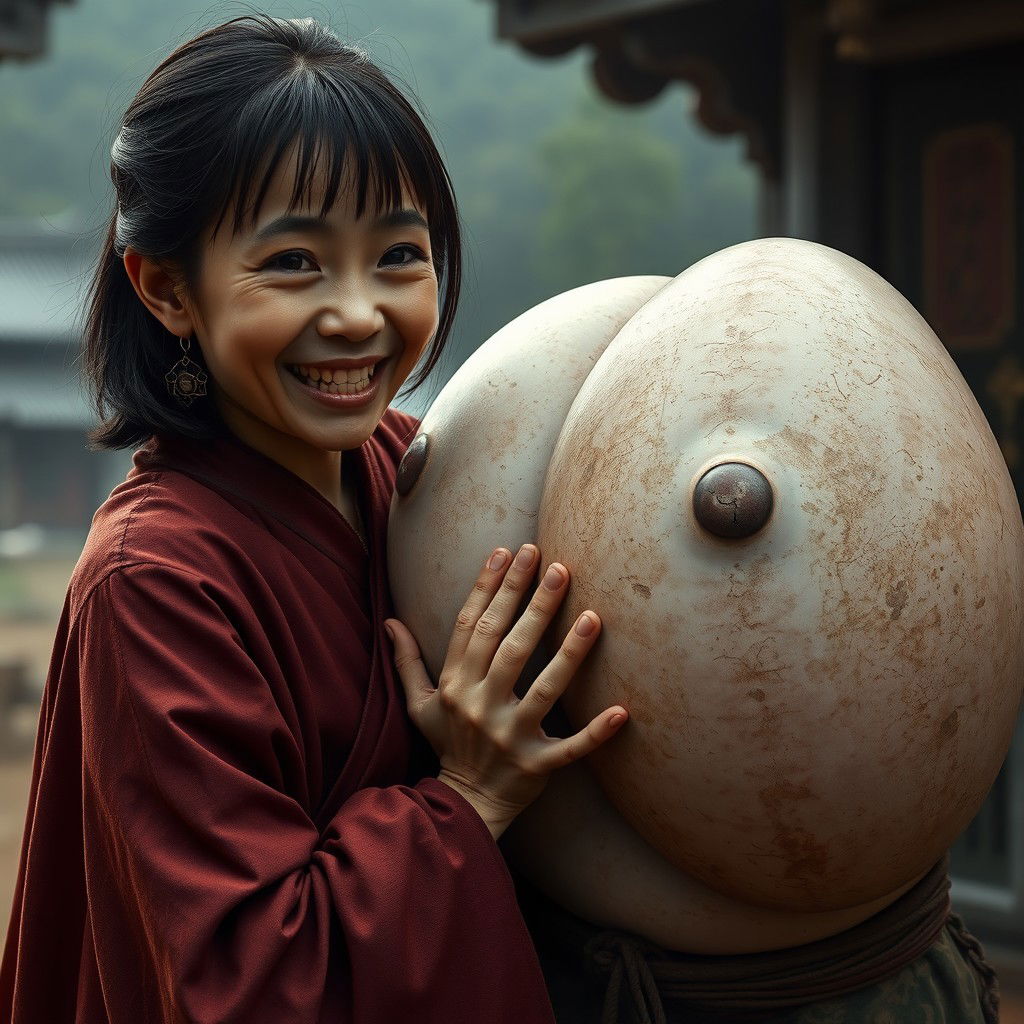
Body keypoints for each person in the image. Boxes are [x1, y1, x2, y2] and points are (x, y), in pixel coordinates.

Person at [0, 13, 628, 1023]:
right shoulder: (155, 580)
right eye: (293, 262)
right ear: (166, 287)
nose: (357, 314)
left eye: (398, 255)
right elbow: (248, 984)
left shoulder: (426, 473)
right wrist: (466, 797)